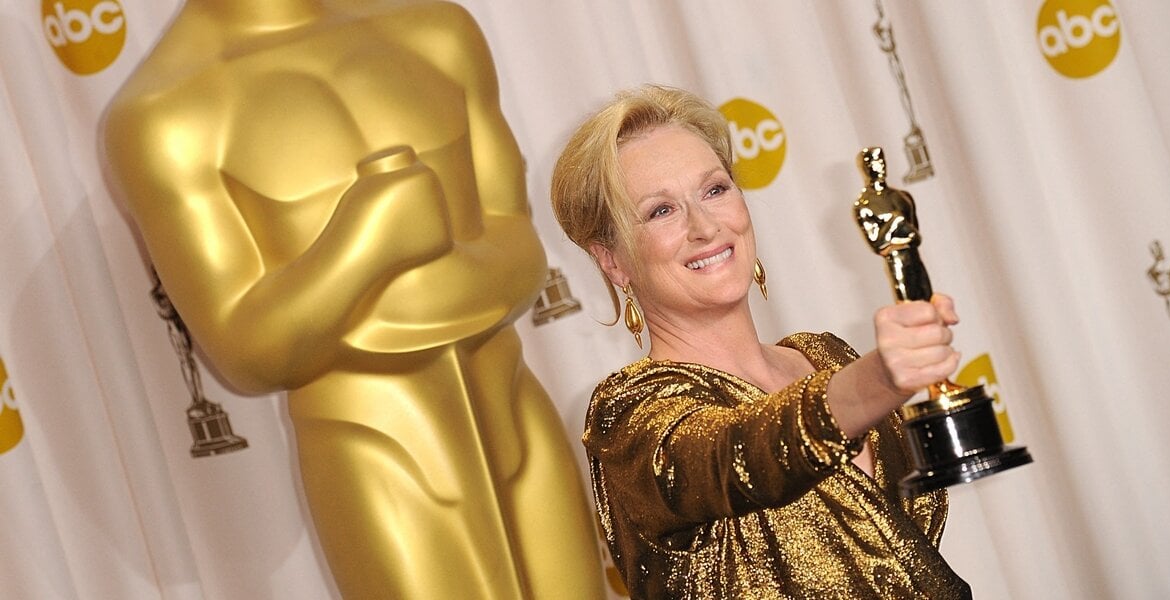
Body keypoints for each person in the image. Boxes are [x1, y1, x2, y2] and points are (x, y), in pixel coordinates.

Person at [101, 1, 605, 598]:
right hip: (369, 442)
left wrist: (426, 261)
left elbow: (523, 251)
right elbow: (245, 353)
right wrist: (363, 247)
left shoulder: (436, 31)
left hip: (515, 407)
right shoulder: (165, 114)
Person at [550, 84, 971, 598]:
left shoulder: (826, 356)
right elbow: (736, 456)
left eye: (714, 190)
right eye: (661, 211)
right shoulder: (628, 417)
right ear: (612, 260)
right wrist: (879, 380)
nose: (705, 227)